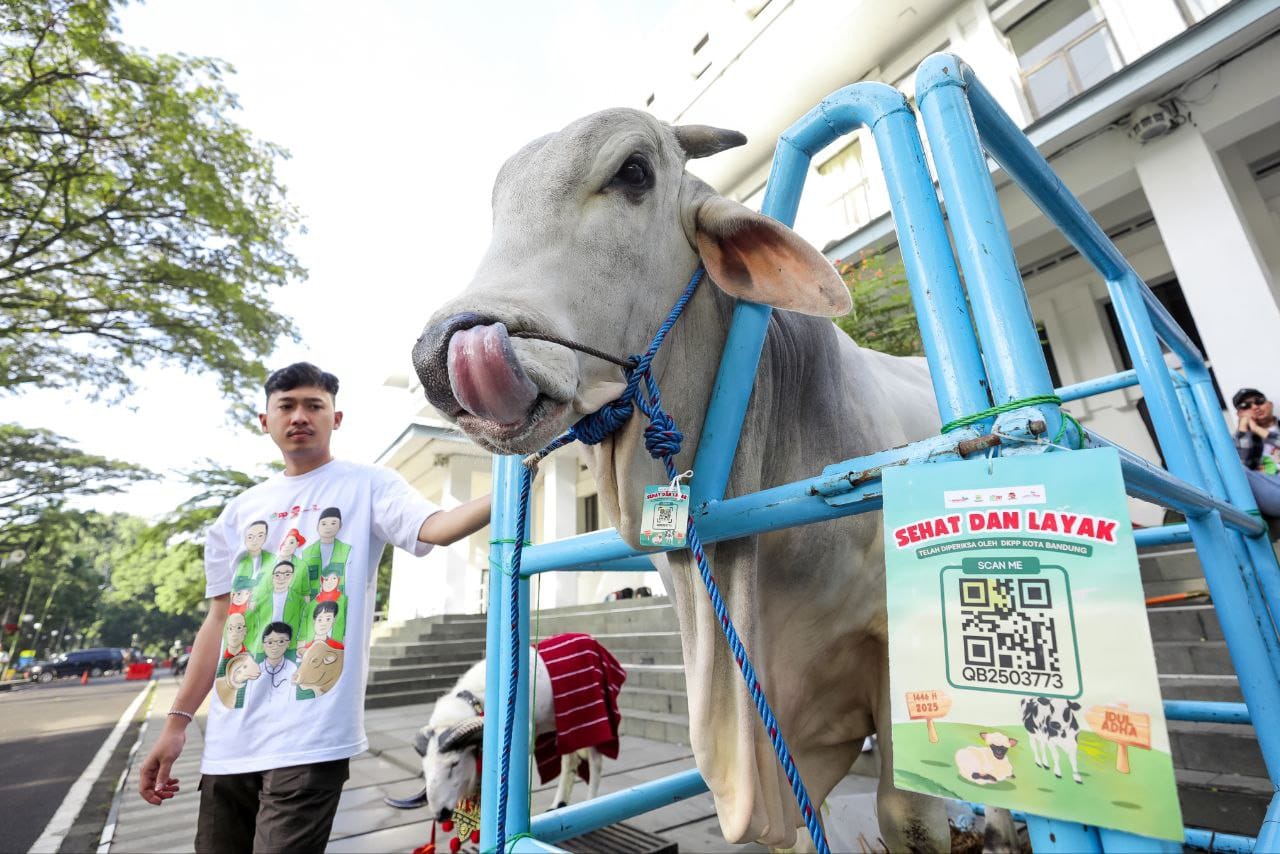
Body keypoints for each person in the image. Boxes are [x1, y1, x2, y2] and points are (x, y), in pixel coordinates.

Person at [137, 361, 491, 853]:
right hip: (229, 741)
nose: (299, 416)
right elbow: (219, 621)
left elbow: (438, 527)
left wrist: (515, 479)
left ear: (335, 418)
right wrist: (176, 725)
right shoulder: (236, 514)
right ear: (265, 420)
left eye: (313, 405)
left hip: (311, 739)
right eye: (286, 406)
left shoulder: (368, 485)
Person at [1233, 387, 1280, 516]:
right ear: (1239, 414)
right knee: (1236, 468)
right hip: (1270, 492)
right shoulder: (1240, 440)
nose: (1255, 407)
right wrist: (1243, 428)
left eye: (1259, 401)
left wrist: (1258, 429)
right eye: (1245, 406)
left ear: (1270, 404)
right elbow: (1241, 467)